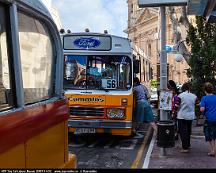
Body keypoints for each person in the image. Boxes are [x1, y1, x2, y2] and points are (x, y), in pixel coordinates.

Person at [175, 82, 199, 153]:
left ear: (183, 88)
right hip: (190, 116)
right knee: (188, 131)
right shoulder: (194, 96)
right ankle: (188, 144)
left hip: (182, 116)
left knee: (183, 132)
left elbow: (177, 105)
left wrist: (174, 112)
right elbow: (198, 104)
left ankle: (185, 147)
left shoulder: (180, 96)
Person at [200, 82, 216, 157]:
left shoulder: (204, 98)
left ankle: (212, 150)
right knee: (214, 134)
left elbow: (202, 109)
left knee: (209, 135)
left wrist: (201, 106)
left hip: (209, 119)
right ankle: (214, 149)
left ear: (205, 90)